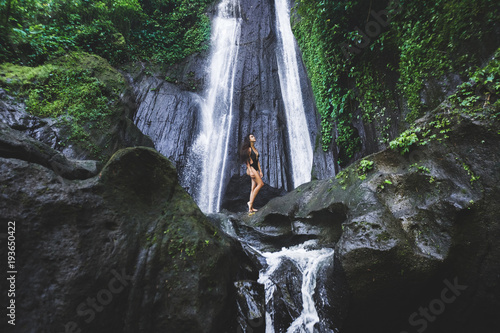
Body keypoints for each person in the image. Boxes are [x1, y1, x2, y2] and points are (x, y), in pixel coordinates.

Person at [240, 134, 264, 212]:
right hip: (252, 168)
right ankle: (250, 202)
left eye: (254, 136)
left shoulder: (255, 149)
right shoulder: (249, 149)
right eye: (252, 137)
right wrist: (250, 171)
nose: (254, 137)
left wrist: (260, 171)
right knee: (261, 184)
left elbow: (258, 161)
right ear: (249, 140)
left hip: (256, 168)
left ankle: (251, 208)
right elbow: (247, 161)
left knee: (253, 188)